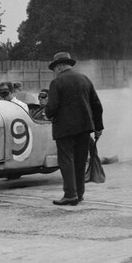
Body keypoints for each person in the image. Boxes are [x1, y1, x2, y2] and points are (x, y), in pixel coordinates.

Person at [44, 52, 104, 206]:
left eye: (54, 68)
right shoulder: (84, 79)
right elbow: (97, 105)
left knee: (66, 162)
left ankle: (70, 195)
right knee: (80, 161)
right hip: (84, 128)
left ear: (58, 66)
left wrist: (47, 113)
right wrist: (98, 127)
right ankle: (79, 194)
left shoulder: (56, 82)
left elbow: (52, 108)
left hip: (64, 130)